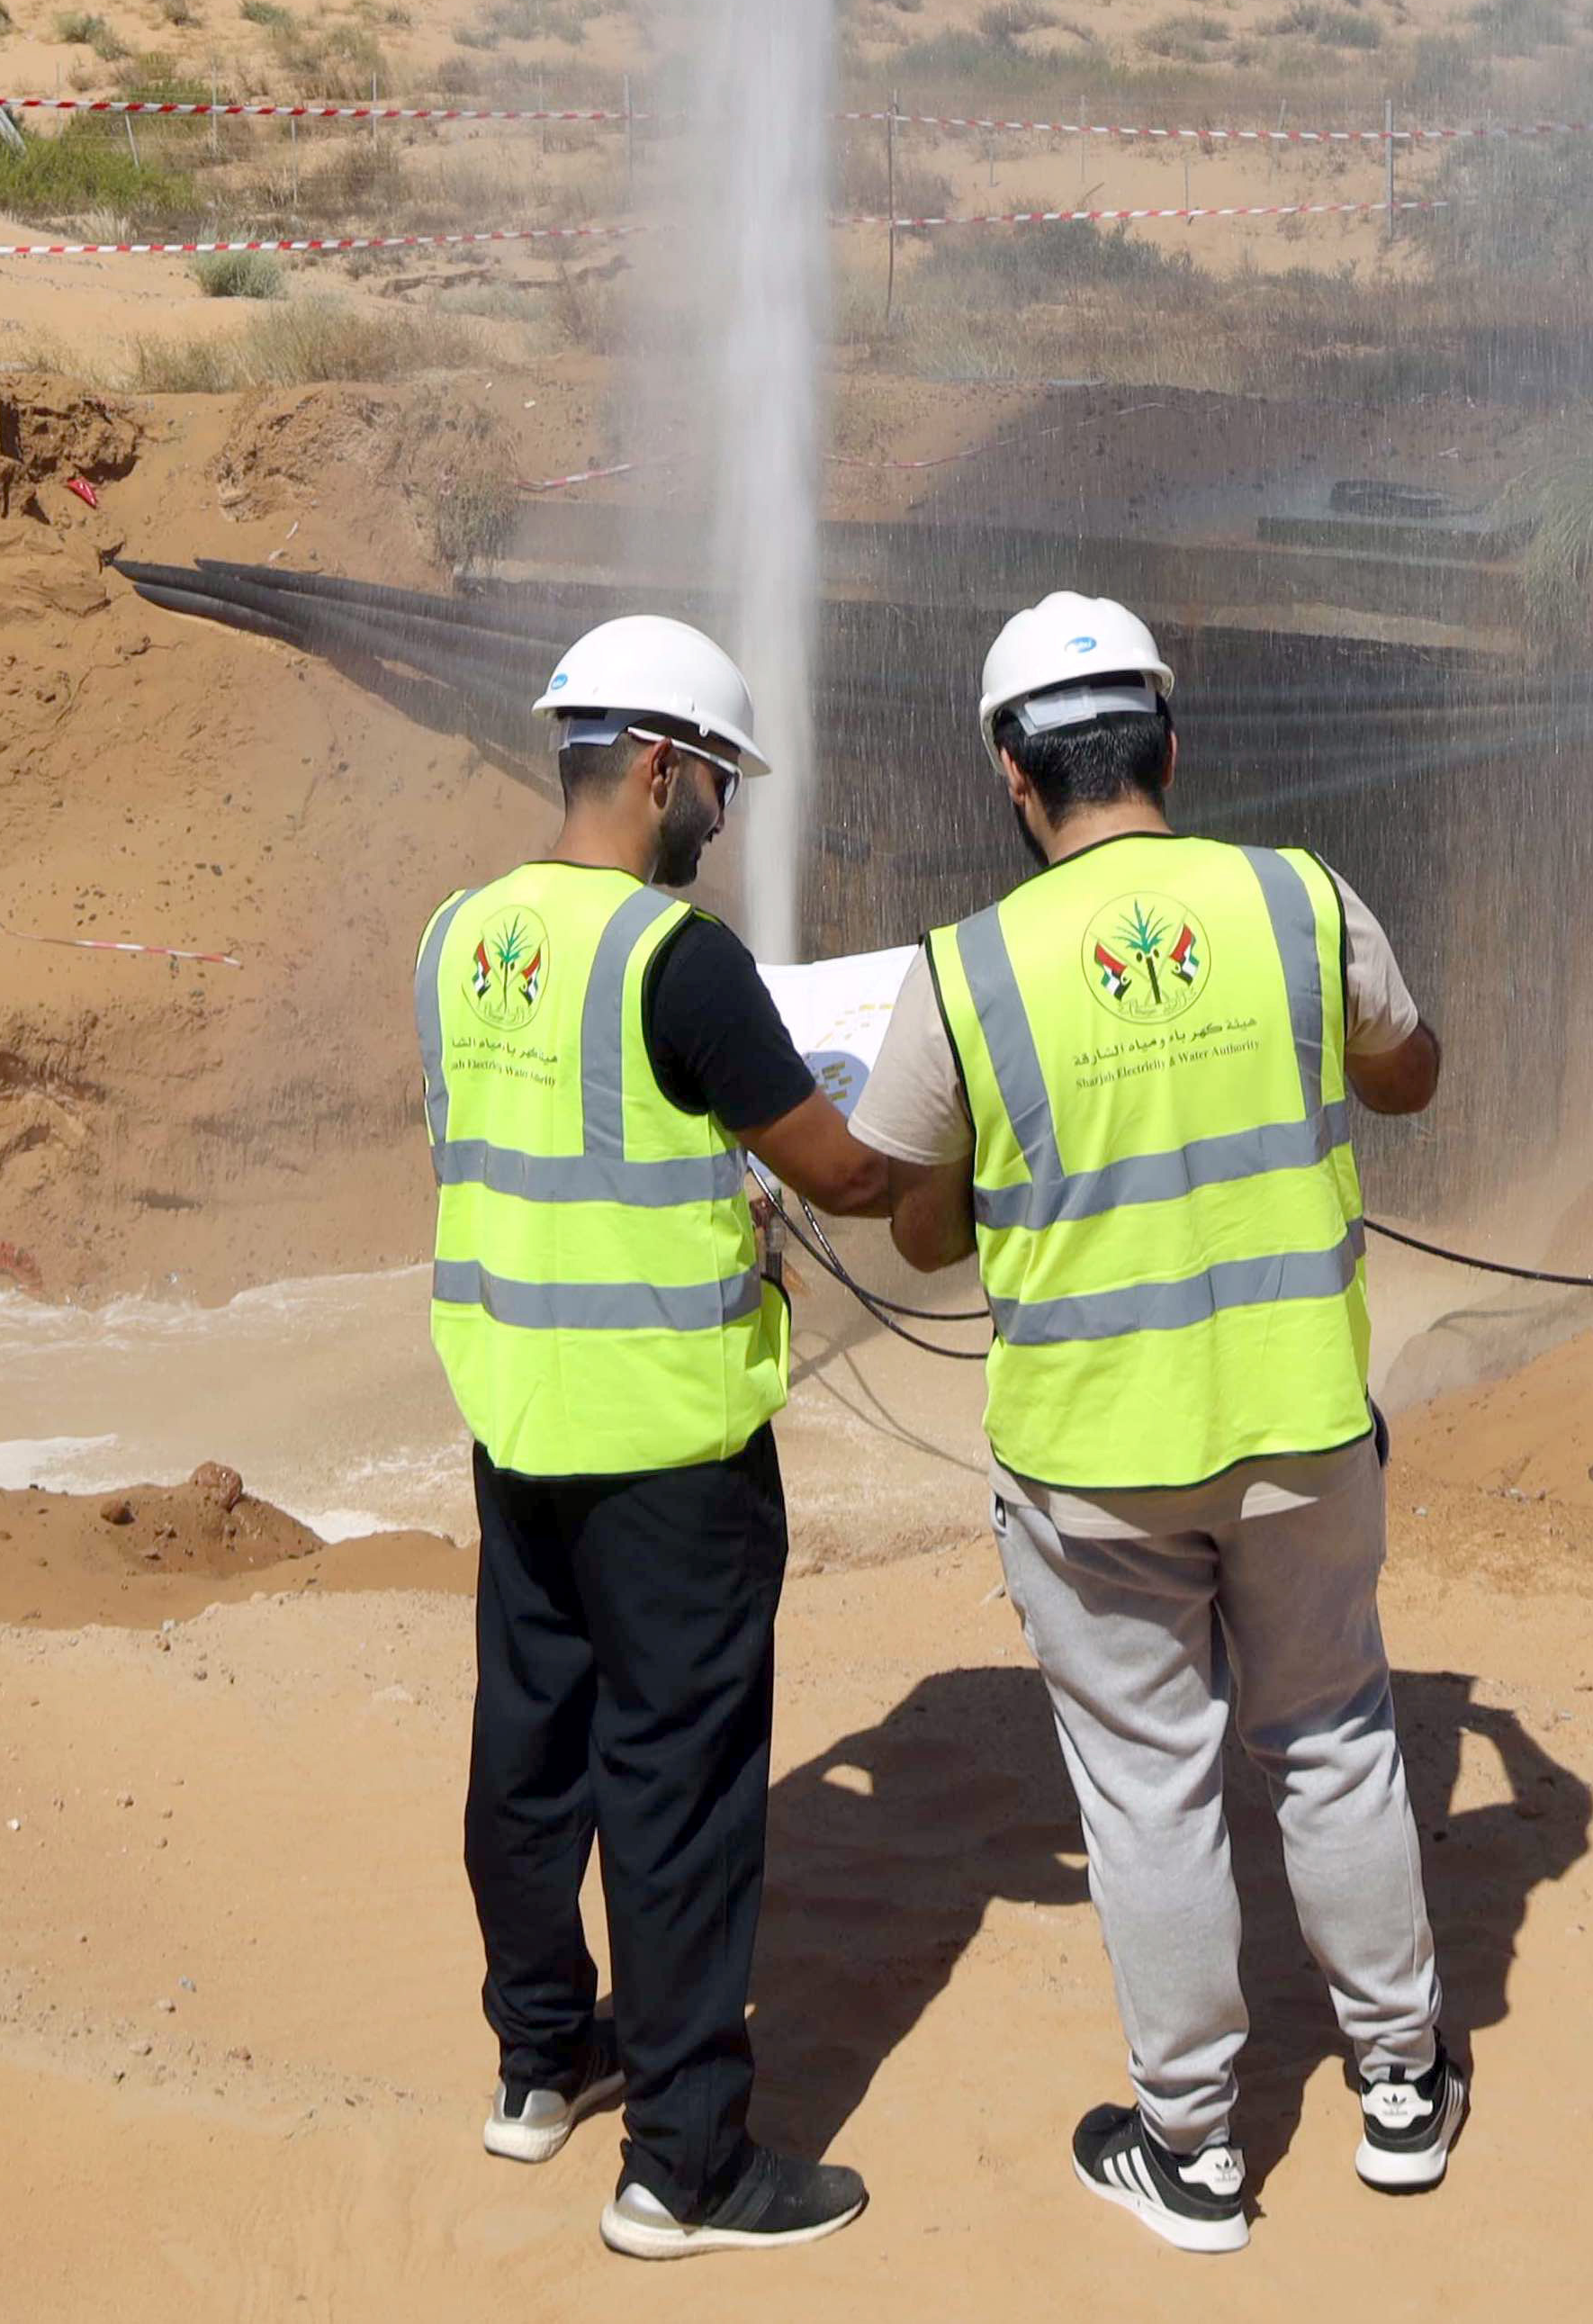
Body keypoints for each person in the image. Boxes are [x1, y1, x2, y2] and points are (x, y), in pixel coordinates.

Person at [843, 590, 1460, 2255]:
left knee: (1150, 1792)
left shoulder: (963, 968)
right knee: (1334, 1737)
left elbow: (916, 1230)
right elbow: (1410, 1073)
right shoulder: (1295, 899)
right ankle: (1401, 2086)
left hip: (1091, 1459)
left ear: (1008, 772)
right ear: (1171, 745)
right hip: (1299, 1423)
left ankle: (1193, 2152)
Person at [416, 612, 890, 2260]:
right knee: (680, 1792)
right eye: (724, 789)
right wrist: (895, 1143)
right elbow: (834, 1167)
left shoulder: (457, 938)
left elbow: (524, 1145)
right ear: (669, 772)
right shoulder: (678, 961)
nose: (725, 820)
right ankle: (686, 2165)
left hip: (517, 1418)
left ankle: (542, 2063)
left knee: (530, 1756)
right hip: (672, 1452)